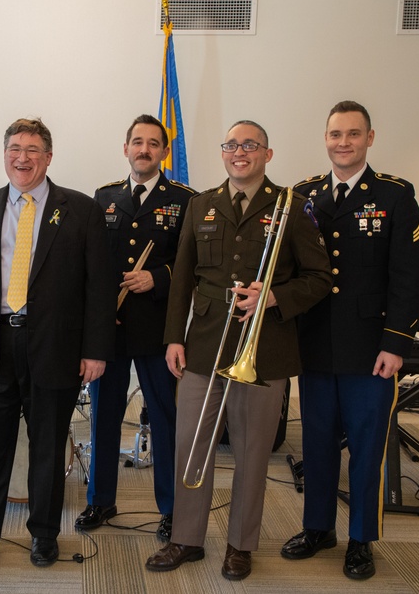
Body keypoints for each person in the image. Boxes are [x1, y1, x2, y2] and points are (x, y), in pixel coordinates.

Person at [146, 120, 332, 580]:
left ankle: (240, 545)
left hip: (264, 350)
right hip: (205, 346)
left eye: (250, 145)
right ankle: (186, 539)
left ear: (267, 154)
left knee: (252, 452)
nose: (239, 152)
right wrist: (173, 336)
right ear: (223, 152)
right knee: (191, 447)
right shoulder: (201, 205)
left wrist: (272, 297)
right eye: (231, 145)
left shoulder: (292, 206)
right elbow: (183, 277)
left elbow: (320, 278)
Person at [0, 117, 116, 576]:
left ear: (49, 157)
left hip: (54, 347)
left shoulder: (79, 209)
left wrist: (95, 350)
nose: (22, 157)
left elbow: (99, 287)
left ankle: (44, 535)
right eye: (15, 148)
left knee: (47, 448)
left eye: (33, 149)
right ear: (4, 155)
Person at [281, 100, 419, 580]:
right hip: (317, 344)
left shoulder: (395, 195)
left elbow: (410, 277)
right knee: (318, 442)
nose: (342, 142)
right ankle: (319, 527)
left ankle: (361, 538)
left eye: (352, 134)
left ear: (370, 138)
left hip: (371, 349)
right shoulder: (303, 195)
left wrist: (396, 343)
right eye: (335, 134)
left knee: (368, 447)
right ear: (325, 139)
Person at [78, 115, 195, 540]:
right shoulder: (104, 196)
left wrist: (157, 277)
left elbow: (191, 265)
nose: (144, 149)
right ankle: (100, 501)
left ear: (164, 151)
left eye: (153, 143)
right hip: (109, 326)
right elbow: (92, 263)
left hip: (158, 330)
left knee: (165, 419)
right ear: (125, 148)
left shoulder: (184, 199)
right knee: (104, 417)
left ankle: (171, 508)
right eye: (137, 142)